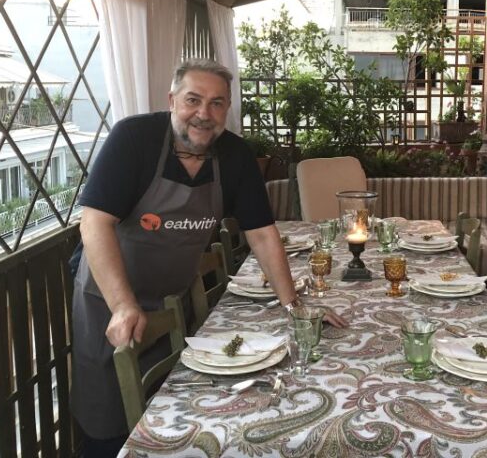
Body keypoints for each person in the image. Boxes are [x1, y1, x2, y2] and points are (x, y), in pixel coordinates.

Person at [70, 59, 348, 457]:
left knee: (171, 407)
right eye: (193, 100)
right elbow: (94, 224)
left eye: (217, 104)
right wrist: (122, 305)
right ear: (171, 100)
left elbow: (263, 234)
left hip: (173, 299)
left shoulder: (234, 155)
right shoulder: (134, 139)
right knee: (107, 413)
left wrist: (294, 306)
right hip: (107, 300)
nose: (204, 114)